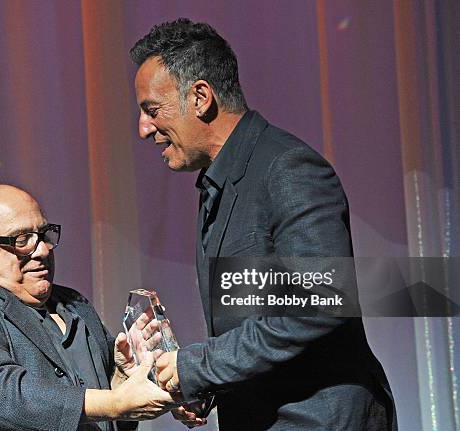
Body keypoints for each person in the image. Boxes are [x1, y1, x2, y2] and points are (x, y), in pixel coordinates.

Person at [130, 19, 397, 430]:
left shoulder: (287, 168)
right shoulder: (219, 183)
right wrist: (205, 388)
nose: (144, 129)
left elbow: (319, 303)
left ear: (201, 97)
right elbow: (257, 317)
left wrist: (199, 366)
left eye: (152, 110)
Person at [0, 184, 175, 431]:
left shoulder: (75, 305)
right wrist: (114, 402)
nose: (42, 250)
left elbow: (102, 413)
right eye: (21, 240)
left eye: (43, 234)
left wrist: (122, 380)